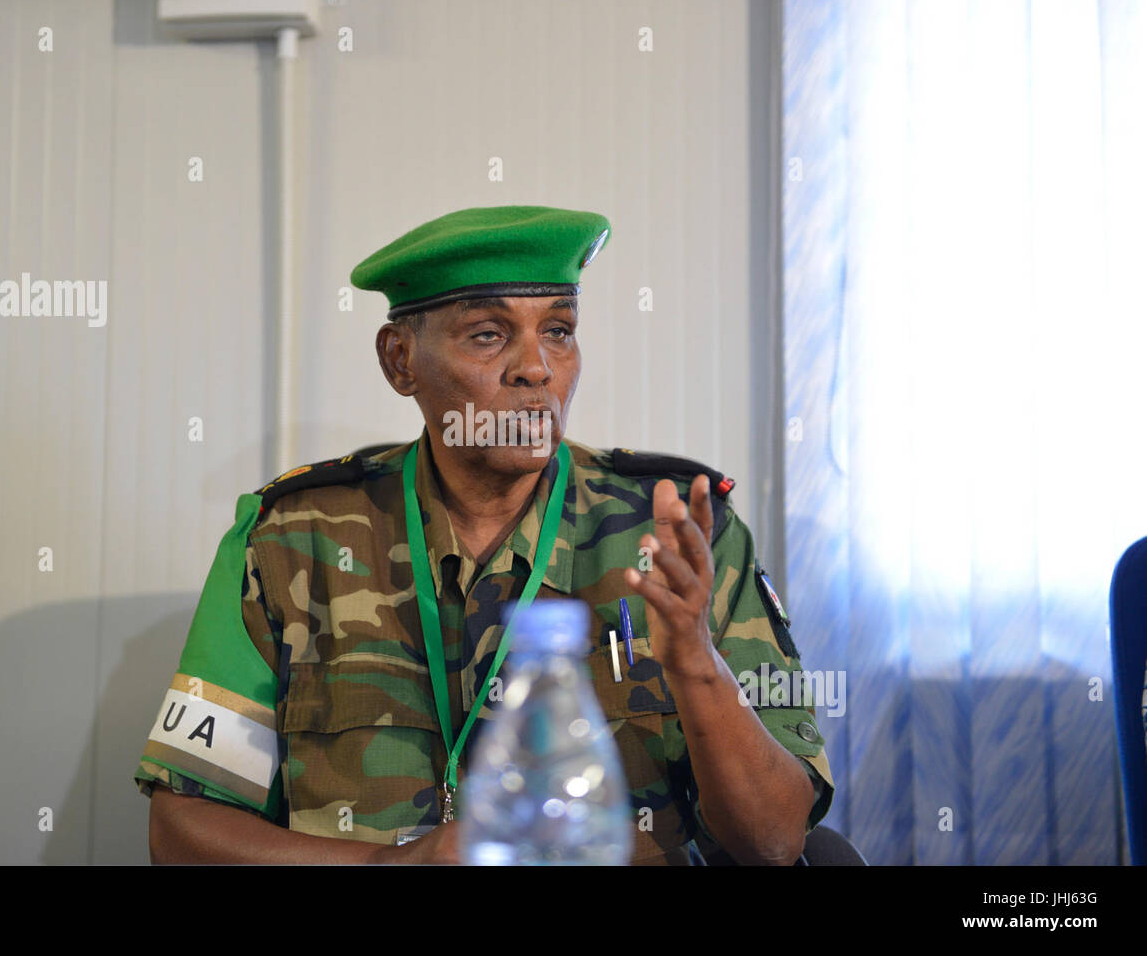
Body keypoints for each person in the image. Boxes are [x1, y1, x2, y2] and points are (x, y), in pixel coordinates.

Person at [134, 205, 834, 865]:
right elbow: (183, 826)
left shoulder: (680, 535)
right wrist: (397, 864)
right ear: (399, 360)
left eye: (558, 330)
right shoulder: (292, 538)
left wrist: (695, 662)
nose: (536, 368)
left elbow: (775, 841)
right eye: (489, 334)